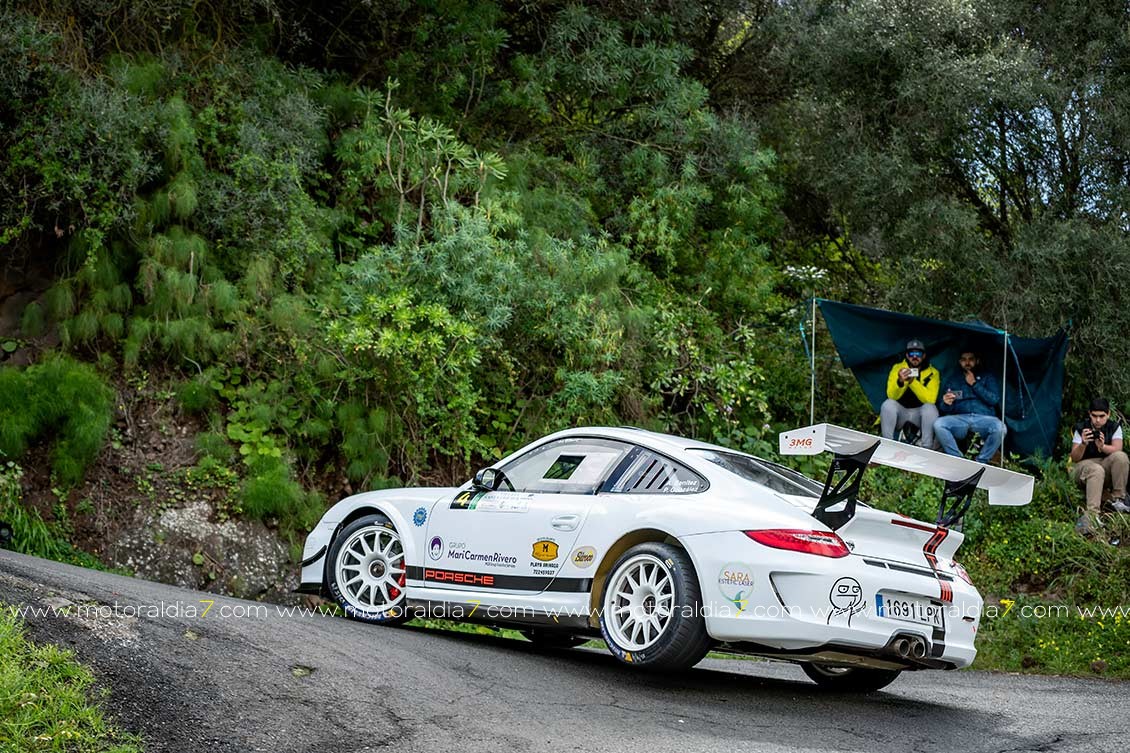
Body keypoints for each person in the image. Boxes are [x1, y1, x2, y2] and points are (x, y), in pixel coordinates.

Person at [934, 350, 1006, 464]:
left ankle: (981, 461)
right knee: (939, 424)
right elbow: (944, 408)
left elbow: (994, 399)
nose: (967, 362)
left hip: (984, 418)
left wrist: (974, 384)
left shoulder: (987, 376)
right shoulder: (954, 379)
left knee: (1000, 428)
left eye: (971, 359)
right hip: (960, 418)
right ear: (960, 362)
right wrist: (946, 403)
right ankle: (958, 460)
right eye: (964, 359)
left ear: (977, 361)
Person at [1070, 398, 1130, 534]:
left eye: (1101, 416)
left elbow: (1118, 449)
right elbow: (1074, 458)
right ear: (1089, 414)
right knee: (1096, 469)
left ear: (1108, 414)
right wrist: (1083, 444)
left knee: (1121, 457)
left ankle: (1118, 499)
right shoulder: (1081, 428)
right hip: (1084, 467)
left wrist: (1102, 447)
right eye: (1094, 416)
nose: (1098, 420)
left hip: (1104, 464)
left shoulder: (1114, 427)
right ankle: (1092, 515)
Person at [880, 339, 940, 447]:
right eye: (912, 354)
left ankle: (927, 447)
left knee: (931, 408)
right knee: (888, 404)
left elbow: (931, 400)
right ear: (907, 355)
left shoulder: (933, 372)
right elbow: (891, 396)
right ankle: (887, 444)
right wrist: (900, 381)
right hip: (901, 413)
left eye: (918, 354)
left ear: (924, 356)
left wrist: (912, 382)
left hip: (920, 415)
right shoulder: (898, 368)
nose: (915, 357)